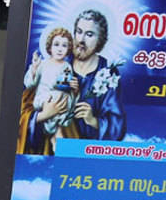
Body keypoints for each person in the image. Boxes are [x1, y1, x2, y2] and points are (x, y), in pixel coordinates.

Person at [18, 9, 125, 154]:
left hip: (84, 156)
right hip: (48, 153)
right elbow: (23, 109)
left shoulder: (107, 73)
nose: (81, 40)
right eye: (78, 31)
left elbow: (117, 124)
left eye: (89, 34)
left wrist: (93, 120)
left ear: (101, 39)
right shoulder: (57, 64)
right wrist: (44, 115)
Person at [23, 27, 77, 137]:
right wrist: (34, 68)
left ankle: (56, 128)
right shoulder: (43, 64)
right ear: (50, 47)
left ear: (68, 49)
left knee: (64, 98)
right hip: (44, 98)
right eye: (56, 44)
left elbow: (66, 84)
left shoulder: (67, 66)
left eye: (64, 45)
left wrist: (71, 86)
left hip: (59, 98)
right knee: (55, 96)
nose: (60, 49)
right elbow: (29, 84)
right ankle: (52, 130)